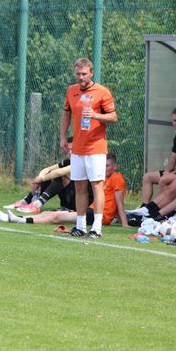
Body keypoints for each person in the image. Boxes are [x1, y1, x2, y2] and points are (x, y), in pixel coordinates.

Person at [60, 57, 118, 239]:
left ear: (91, 73)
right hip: (78, 148)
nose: (81, 77)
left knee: (96, 186)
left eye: (84, 74)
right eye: (78, 74)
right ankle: (80, 226)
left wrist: (95, 115)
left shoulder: (102, 92)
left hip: (96, 148)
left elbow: (113, 117)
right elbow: (66, 114)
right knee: (79, 186)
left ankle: (97, 228)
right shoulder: (71, 90)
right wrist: (63, 137)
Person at [0, 153, 128, 227]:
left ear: (115, 166)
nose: (104, 168)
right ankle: (15, 218)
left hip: (96, 215)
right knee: (48, 213)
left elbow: (119, 203)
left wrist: (125, 224)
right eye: (103, 165)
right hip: (90, 211)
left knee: (56, 217)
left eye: (107, 166)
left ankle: (19, 220)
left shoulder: (117, 178)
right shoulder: (102, 179)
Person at [4, 137, 74, 214]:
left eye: (72, 149)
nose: (69, 152)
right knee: (49, 174)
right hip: (70, 198)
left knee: (59, 176)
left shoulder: (79, 162)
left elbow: (59, 173)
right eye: (68, 149)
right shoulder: (68, 161)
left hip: (78, 203)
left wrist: (41, 179)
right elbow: (47, 169)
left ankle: (36, 204)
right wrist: (40, 178)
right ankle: (27, 201)